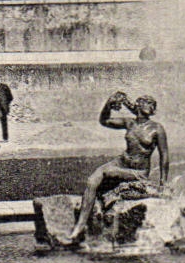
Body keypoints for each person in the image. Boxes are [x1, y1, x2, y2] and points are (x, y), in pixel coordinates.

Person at [67, 92, 170, 244]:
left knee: (106, 172)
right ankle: (80, 226)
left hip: (138, 171)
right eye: (148, 102)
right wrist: (108, 104)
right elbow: (104, 120)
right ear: (139, 105)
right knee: (92, 180)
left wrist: (163, 183)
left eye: (153, 104)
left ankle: (85, 223)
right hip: (121, 162)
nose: (152, 106)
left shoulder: (157, 129)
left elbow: (164, 155)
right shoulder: (129, 123)